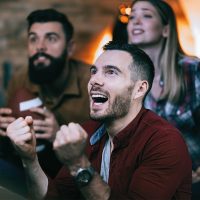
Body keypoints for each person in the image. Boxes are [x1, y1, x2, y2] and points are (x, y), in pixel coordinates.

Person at [6, 41, 191, 199]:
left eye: (111, 72)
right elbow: (52, 197)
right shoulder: (88, 131)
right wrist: (29, 159)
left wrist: (78, 163)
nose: (95, 80)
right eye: (94, 71)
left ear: (139, 89)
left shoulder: (165, 141)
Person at [0, 8, 90, 181]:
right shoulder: (20, 78)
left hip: (74, 174)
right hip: (30, 167)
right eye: (33, 38)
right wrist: (6, 129)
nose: (40, 46)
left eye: (51, 38)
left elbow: (106, 154)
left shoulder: (92, 84)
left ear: (70, 48)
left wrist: (58, 135)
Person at [127, 0, 200, 198]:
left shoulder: (192, 69)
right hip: (152, 180)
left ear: (166, 30)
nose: (136, 21)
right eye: (132, 17)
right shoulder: (126, 80)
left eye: (147, 15)